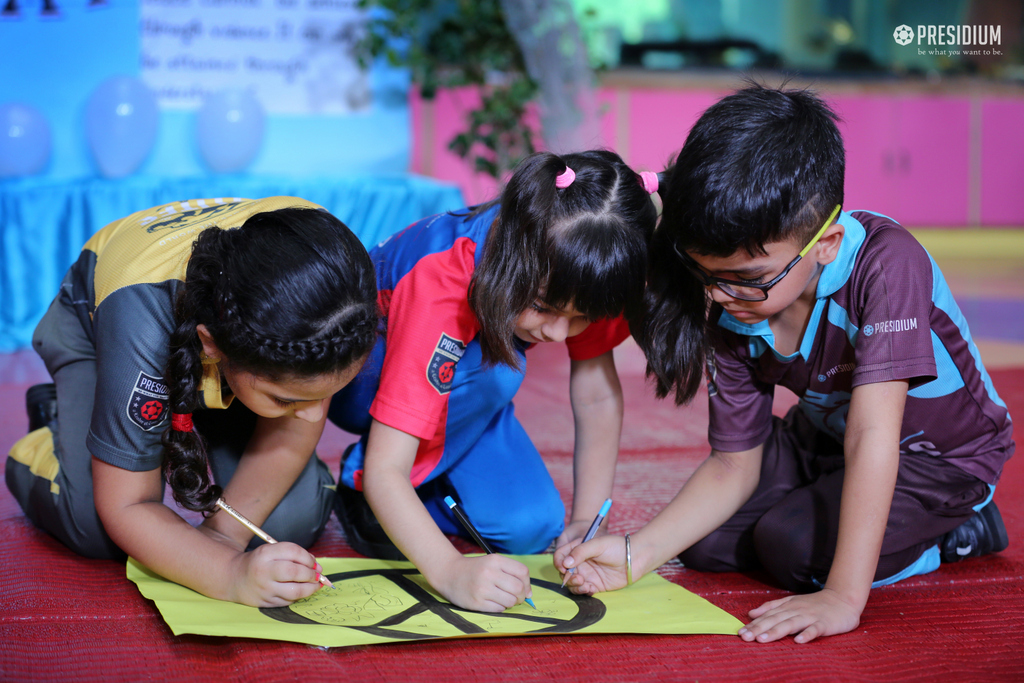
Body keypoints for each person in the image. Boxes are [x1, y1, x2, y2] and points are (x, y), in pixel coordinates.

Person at [557, 85, 1013, 643]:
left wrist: (844, 597)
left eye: (748, 279)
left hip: (935, 457)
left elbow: (874, 436)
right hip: (822, 441)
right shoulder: (733, 300)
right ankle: (823, 511)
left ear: (827, 243)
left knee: (791, 549)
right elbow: (733, 465)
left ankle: (957, 531)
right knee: (705, 545)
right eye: (707, 275)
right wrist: (636, 554)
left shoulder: (887, 265)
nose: (722, 296)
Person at [328, 150, 660, 612]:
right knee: (499, 371)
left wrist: (588, 517)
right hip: (359, 383)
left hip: (461, 395)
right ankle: (357, 478)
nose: (556, 332)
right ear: (513, 257)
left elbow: (597, 394)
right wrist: (448, 571)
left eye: (580, 317)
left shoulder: (596, 270)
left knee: (531, 526)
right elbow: (390, 469)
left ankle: (415, 483)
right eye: (543, 307)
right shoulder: (444, 280)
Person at [6, 196, 378, 607]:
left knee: (292, 519)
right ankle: (52, 429)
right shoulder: (140, 314)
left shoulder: (333, 291)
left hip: (238, 354)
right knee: (94, 524)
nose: (314, 415)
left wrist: (223, 538)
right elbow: (127, 504)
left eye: (327, 394)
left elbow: (299, 405)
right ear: (211, 346)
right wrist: (229, 574)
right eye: (288, 398)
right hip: (104, 333)